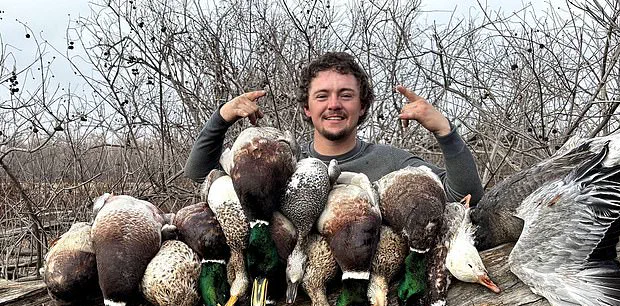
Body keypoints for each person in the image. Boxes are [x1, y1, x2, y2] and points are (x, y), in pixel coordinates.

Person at [184, 51, 484, 204]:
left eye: (346, 95)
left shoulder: (393, 163)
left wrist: (445, 132)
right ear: (307, 108)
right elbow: (199, 173)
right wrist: (221, 118)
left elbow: (464, 196)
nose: (334, 105)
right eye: (322, 96)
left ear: (362, 106)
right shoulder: (283, 161)